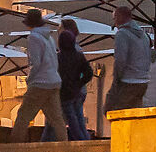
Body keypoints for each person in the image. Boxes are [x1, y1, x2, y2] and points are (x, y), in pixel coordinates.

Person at [10, 8, 67, 140]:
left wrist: (29, 79)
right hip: (54, 81)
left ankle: (13, 147)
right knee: (57, 119)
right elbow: (54, 60)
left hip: (40, 82)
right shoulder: (50, 39)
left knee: (23, 116)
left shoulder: (33, 38)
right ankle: (65, 146)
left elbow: (35, 62)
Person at [103, 4, 154, 114]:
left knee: (113, 111)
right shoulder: (144, 35)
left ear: (120, 17)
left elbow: (120, 60)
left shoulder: (122, 34)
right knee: (134, 116)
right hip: (143, 81)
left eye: (114, 18)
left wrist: (116, 80)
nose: (114, 23)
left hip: (128, 81)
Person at [57, 19, 95, 140]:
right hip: (77, 91)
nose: (58, 29)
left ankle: (82, 141)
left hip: (68, 92)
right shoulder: (77, 52)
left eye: (60, 27)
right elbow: (88, 72)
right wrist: (78, 84)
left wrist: (75, 84)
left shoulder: (61, 56)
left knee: (71, 120)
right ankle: (85, 141)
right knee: (76, 119)